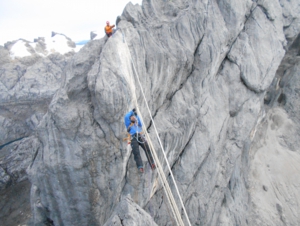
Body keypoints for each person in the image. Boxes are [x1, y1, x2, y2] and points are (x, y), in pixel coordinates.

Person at [124, 109, 156, 173]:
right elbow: (126, 116)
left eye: (134, 117)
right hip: (133, 137)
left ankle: (152, 163)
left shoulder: (137, 123)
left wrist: (136, 116)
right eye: (132, 117)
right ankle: (140, 166)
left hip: (140, 136)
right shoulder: (128, 123)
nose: (133, 117)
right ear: (130, 118)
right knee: (136, 152)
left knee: (147, 149)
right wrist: (132, 112)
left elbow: (141, 124)